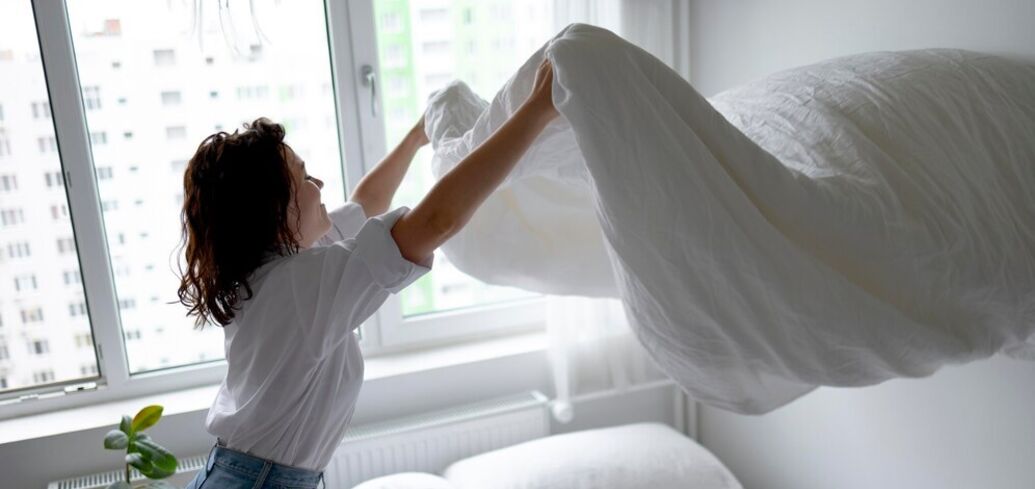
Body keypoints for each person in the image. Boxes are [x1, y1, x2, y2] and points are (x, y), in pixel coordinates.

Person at [176, 59, 557, 489]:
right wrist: (537, 110)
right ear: (275, 213)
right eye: (304, 177)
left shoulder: (280, 267)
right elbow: (436, 222)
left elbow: (366, 203)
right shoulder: (297, 286)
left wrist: (417, 137)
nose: (319, 184)